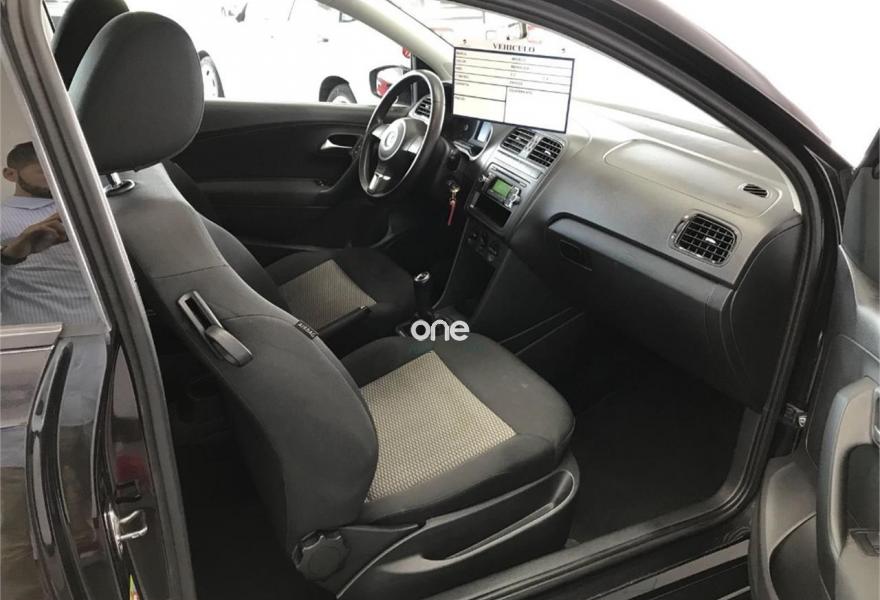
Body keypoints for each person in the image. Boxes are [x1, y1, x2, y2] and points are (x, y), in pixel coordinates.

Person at [0, 141, 100, 325]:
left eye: (61, 170)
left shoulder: (92, 209)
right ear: (10, 174)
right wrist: (8, 257)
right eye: (44, 170)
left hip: (106, 327)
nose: (57, 177)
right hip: (37, 332)